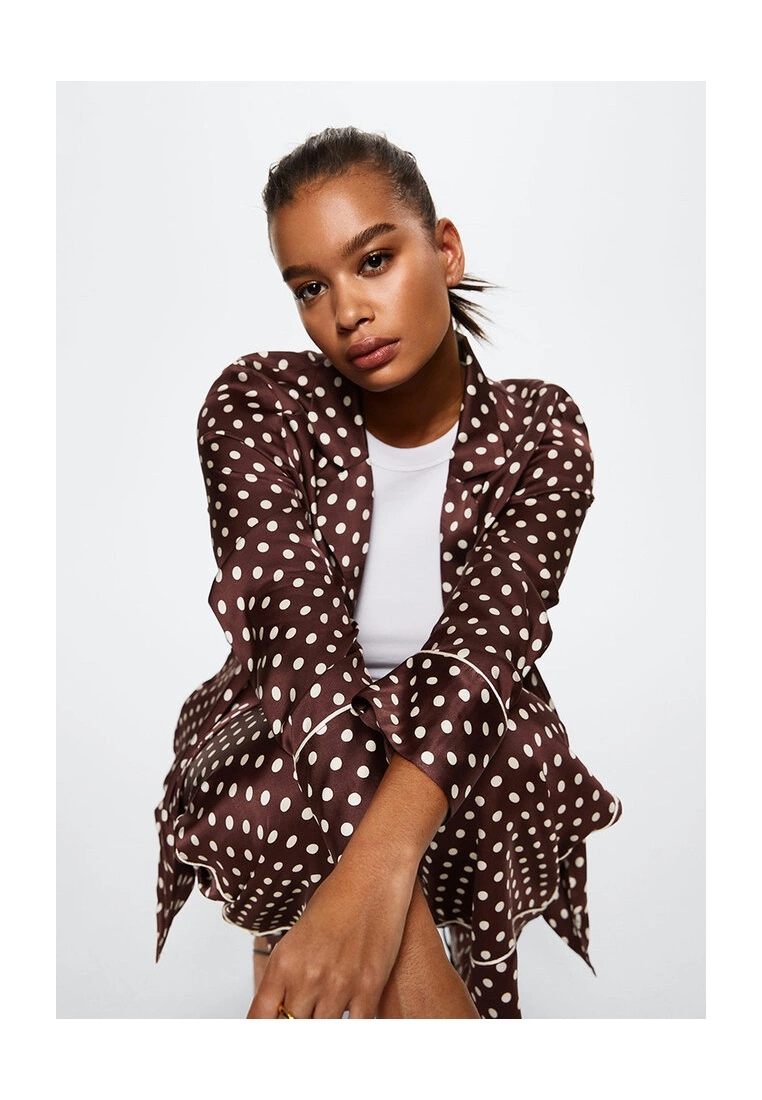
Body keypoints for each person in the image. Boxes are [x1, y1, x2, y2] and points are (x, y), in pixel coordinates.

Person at [154, 126, 622, 1019]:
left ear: (444, 250)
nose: (347, 312)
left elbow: (489, 643)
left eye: (374, 260)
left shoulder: (540, 431)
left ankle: (342, 946)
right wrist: (408, 950)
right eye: (310, 287)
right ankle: (307, 950)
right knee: (280, 780)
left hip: (460, 726)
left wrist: (378, 870)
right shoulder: (259, 402)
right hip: (291, 723)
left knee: (508, 749)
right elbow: (295, 642)